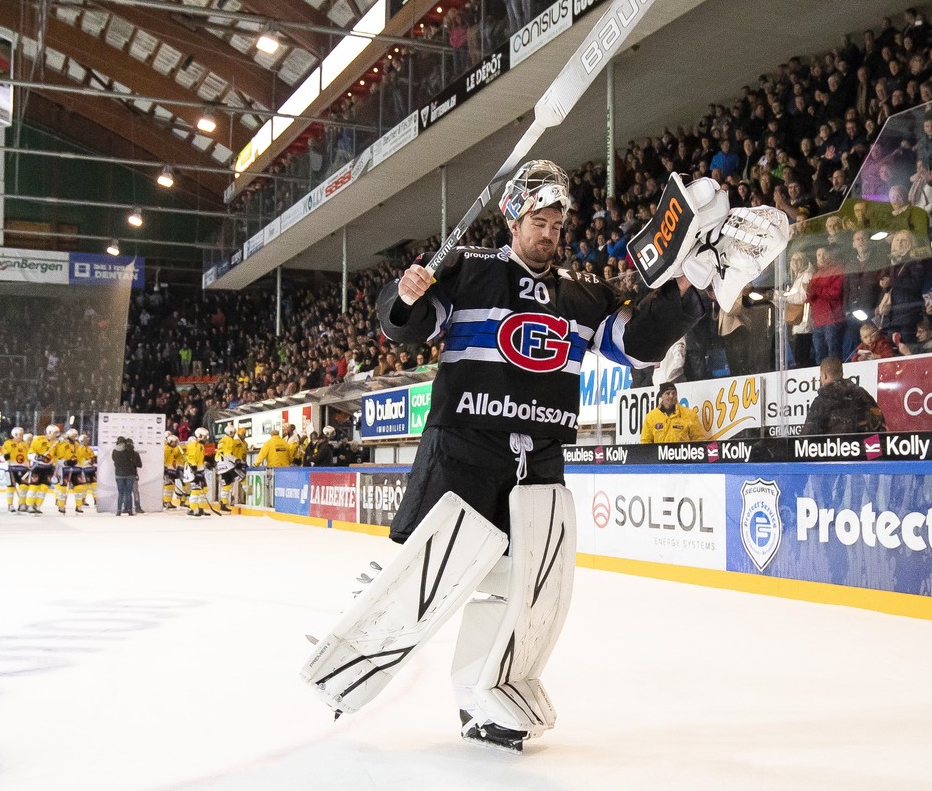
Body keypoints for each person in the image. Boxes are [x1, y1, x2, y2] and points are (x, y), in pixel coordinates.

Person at [304, 161, 783, 754]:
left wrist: (688, 288)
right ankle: (347, 664)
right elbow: (412, 325)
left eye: (559, 224)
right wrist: (403, 298)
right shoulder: (470, 270)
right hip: (464, 455)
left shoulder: (584, 296)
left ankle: (488, 698)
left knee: (526, 592)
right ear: (513, 218)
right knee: (425, 578)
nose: (551, 233)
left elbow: (637, 346)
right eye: (540, 220)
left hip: (541, 468)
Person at [801, 357, 886, 435]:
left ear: (824, 376)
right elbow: (877, 423)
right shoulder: (862, 394)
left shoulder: (821, 401)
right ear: (842, 372)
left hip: (835, 449)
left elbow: (809, 435)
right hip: (862, 448)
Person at [637, 382, 708, 443]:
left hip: (682, 457)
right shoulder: (651, 417)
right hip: (659, 458)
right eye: (667, 393)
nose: (671, 396)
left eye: (673, 393)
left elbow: (699, 439)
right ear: (661, 396)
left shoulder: (689, 414)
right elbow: (645, 441)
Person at [183, 427, 212, 517]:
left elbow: (200, 457)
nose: (206, 439)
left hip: (199, 469)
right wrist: (194, 467)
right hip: (193, 469)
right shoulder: (193, 444)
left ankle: (200, 508)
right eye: (205, 437)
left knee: (204, 489)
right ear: (199, 436)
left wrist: (205, 463)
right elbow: (191, 456)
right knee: (196, 489)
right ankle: (191, 509)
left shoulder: (200, 445)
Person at [2, 426, 31, 513]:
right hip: (10, 467)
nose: (22, 436)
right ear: (15, 434)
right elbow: (2, 456)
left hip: (24, 468)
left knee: (24, 487)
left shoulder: (25, 444)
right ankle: (10, 504)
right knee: (10, 487)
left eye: (22, 434)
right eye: (20, 434)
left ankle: (22, 503)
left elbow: (29, 455)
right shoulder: (7, 443)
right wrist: (5, 457)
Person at [111, 436, 139, 516]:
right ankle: (129, 510)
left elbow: (114, 460)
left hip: (119, 474)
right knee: (128, 493)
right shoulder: (130, 451)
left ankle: (118, 510)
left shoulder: (115, 451)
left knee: (120, 493)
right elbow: (134, 461)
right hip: (130, 474)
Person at [72, 431, 97, 513]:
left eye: (87, 439)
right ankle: (83, 499)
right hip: (83, 469)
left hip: (91, 469)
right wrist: (86, 461)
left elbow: (93, 457)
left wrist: (92, 461)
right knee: (85, 486)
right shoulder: (79, 449)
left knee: (94, 485)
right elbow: (79, 459)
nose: (87, 440)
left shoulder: (89, 448)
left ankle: (96, 499)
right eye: (85, 439)